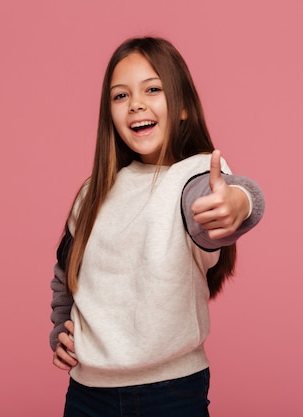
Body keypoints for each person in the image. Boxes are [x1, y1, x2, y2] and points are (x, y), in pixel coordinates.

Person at [49, 36, 265, 417]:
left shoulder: (192, 177)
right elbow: (67, 268)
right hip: (86, 392)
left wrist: (237, 203)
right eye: (120, 96)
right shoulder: (93, 192)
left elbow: (229, 199)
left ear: (182, 106)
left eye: (153, 89)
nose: (135, 104)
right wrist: (61, 328)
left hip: (169, 393)